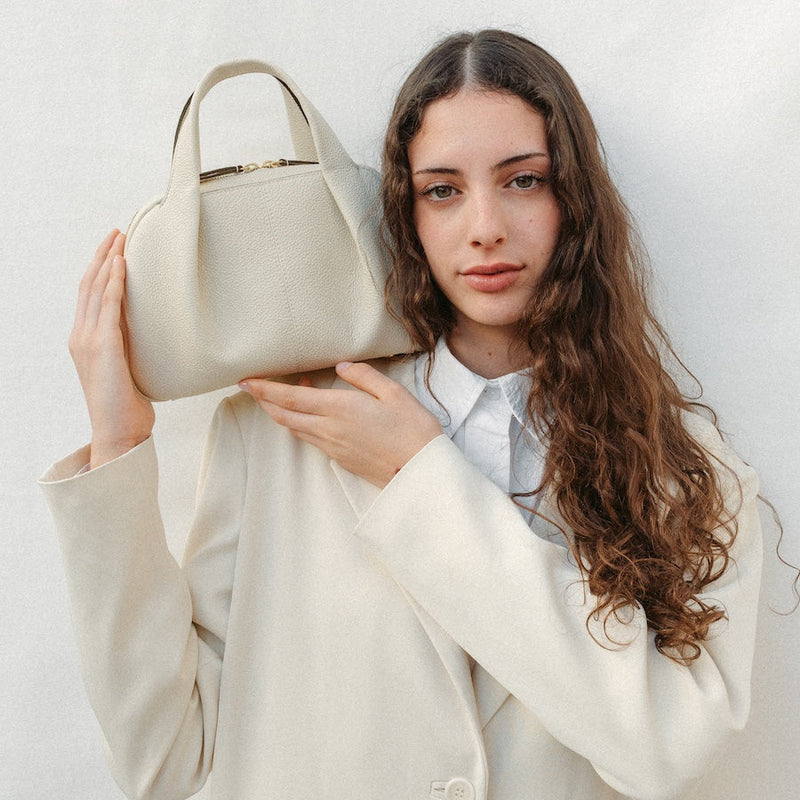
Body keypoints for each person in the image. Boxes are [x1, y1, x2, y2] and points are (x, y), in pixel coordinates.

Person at [41, 29, 762, 800]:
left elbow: (668, 755)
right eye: (442, 190)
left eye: (523, 180)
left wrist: (421, 478)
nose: (484, 225)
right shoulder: (280, 430)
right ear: (402, 214)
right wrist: (120, 442)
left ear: (575, 200)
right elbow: (167, 763)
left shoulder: (684, 469)